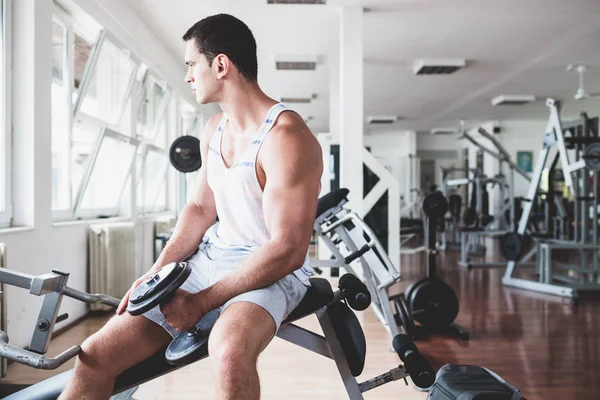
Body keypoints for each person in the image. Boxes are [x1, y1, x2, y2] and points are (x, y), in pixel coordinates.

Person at [60, 13, 323, 400]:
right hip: (211, 259)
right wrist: (155, 273)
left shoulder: (286, 137)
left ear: (220, 65)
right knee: (94, 356)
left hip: (269, 269)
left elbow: (287, 249)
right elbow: (201, 207)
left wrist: (201, 302)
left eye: (191, 65)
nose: (187, 76)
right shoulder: (213, 128)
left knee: (229, 351)